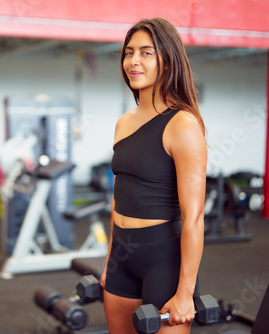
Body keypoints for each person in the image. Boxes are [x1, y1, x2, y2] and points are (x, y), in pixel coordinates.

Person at [99, 18, 207, 334]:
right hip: (122, 254)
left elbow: (195, 217)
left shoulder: (182, 125)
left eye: (147, 53)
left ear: (167, 59)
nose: (134, 61)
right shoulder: (123, 123)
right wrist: (109, 260)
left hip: (163, 260)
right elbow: (118, 197)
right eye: (129, 52)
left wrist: (185, 293)